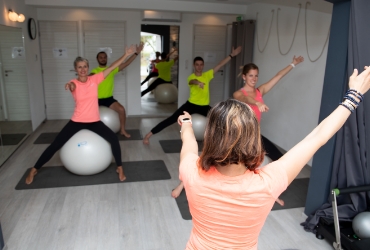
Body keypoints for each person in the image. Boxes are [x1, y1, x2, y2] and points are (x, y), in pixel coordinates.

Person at [177, 65, 370, 249]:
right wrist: (353, 96)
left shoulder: (192, 172)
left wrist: (186, 124)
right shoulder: (268, 183)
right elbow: (318, 137)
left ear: (210, 136)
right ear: (252, 138)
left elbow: (189, 144)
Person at [25, 44, 137, 185]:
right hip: (77, 121)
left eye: (85, 66)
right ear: (75, 69)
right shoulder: (73, 83)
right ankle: (34, 169)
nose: (83, 69)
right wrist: (69, 86)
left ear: (88, 68)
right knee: (55, 144)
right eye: (80, 67)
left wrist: (126, 55)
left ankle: (119, 168)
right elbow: (71, 85)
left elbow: (112, 67)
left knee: (114, 139)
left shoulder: (94, 79)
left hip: (94, 121)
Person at [232, 56, 304, 205]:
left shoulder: (260, 90)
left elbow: (278, 76)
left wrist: (293, 64)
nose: (254, 78)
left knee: (279, 158)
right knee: (237, 165)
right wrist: (257, 102)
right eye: (250, 75)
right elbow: (246, 100)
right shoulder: (238, 94)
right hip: (242, 136)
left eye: (256, 75)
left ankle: (272, 192)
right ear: (244, 77)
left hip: (256, 136)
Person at [143, 46, 242, 147]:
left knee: (221, 119)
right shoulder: (191, 77)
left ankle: (232, 142)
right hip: (191, 105)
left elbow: (220, 64)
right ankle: (148, 135)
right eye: (197, 65)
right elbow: (192, 81)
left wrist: (232, 55)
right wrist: (198, 82)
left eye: (201, 65)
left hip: (204, 107)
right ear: (193, 65)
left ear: (203, 65)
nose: (199, 67)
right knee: (171, 119)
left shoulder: (207, 75)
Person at [91, 43, 144, 138]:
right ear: (97, 59)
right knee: (90, 117)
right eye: (101, 57)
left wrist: (136, 53)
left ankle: (122, 130)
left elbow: (126, 63)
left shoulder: (112, 69)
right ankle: (92, 133)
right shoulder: (95, 71)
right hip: (95, 99)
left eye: (104, 57)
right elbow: (88, 78)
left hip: (108, 99)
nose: (103, 59)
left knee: (121, 110)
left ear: (106, 59)